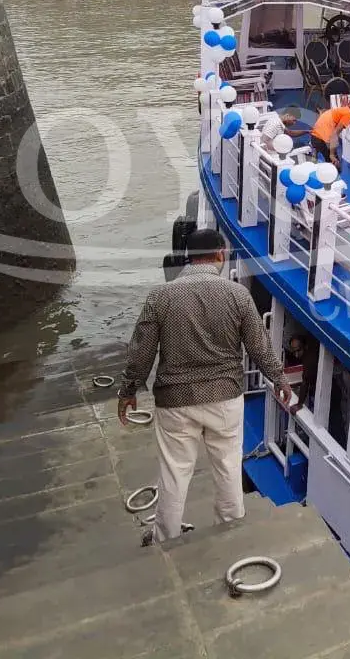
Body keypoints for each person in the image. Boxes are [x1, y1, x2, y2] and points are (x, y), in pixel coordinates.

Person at [116, 228, 297, 544]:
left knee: (174, 474)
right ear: (220, 255)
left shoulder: (161, 296)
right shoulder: (237, 295)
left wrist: (129, 390)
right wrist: (278, 378)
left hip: (174, 400)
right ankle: (230, 532)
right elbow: (259, 344)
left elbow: (141, 348)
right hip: (224, 398)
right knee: (227, 468)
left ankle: (165, 538)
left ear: (187, 258)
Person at [310, 94, 350, 166]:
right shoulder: (348, 114)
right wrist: (332, 154)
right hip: (322, 140)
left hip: (314, 137)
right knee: (335, 166)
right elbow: (335, 134)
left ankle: (315, 150)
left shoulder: (341, 110)